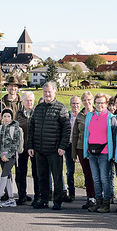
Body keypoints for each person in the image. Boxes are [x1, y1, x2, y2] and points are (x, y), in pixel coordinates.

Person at [28, 81, 71, 210]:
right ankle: (44, 200)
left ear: (55, 92)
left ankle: (57, 201)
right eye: (45, 92)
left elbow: (66, 129)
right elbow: (32, 128)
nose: (47, 94)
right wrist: (30, 146)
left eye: (49, 92)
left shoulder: (61, 108)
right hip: (39, 149)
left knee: (57, 177)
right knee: (42, 177)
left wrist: (63, 146)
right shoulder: (38, 108)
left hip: (55, 150)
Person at [83, 92, 117, 213]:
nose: (99, 105)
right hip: (92, 151)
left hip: (105, 152)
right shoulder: (90, 116)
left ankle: (106, 202)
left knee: (104, 178)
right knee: (95, 178)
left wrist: (113, 155)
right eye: (97, 103)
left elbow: (114, 137)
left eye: (102, 103)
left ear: (107, 104)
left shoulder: (111, 118)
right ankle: (97, 201)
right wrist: (85, 152)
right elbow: (87, 135)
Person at [72, 91, 96, 209]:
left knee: (96, 174)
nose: (87, 102)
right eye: (84, 100)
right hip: (81, 148)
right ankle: (90, 198)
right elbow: (75, 134)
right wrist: (73, 152)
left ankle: (99, 198)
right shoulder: (80, 116)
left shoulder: (97, 113)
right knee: (87, 174)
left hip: (96, 148)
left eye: (89, 100)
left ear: (92, 100)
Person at [15, 91, 38, 205]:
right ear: (22, 102)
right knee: (21, 172)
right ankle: (22, 195)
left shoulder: (37, 112)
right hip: (22, 148)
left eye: (31, 100)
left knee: (36, 172)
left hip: (35, 147)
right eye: (27, 100)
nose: (29, 102)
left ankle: (37, 196)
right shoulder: (18, 114)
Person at [0, 108, 20, 208]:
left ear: (11, 117)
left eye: (8, 116)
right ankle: (11, 198)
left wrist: (7, 155)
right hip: (2, 156)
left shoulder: (15, 128)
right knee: (8, 176)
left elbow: (16, 143)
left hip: (11, 156)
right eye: (4, 116)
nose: (6, 118)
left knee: (4, 175)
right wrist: (1, 154)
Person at [63, 96, 81, 202]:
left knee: (86, 170)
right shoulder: (67, 116)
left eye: (77, 103)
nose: (75, 106)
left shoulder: (83, 116)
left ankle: (90, 194)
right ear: (70, 105)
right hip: (69, 145)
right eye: (73, 103)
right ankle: (71, 192)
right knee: (70, 170)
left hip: (80, 146)